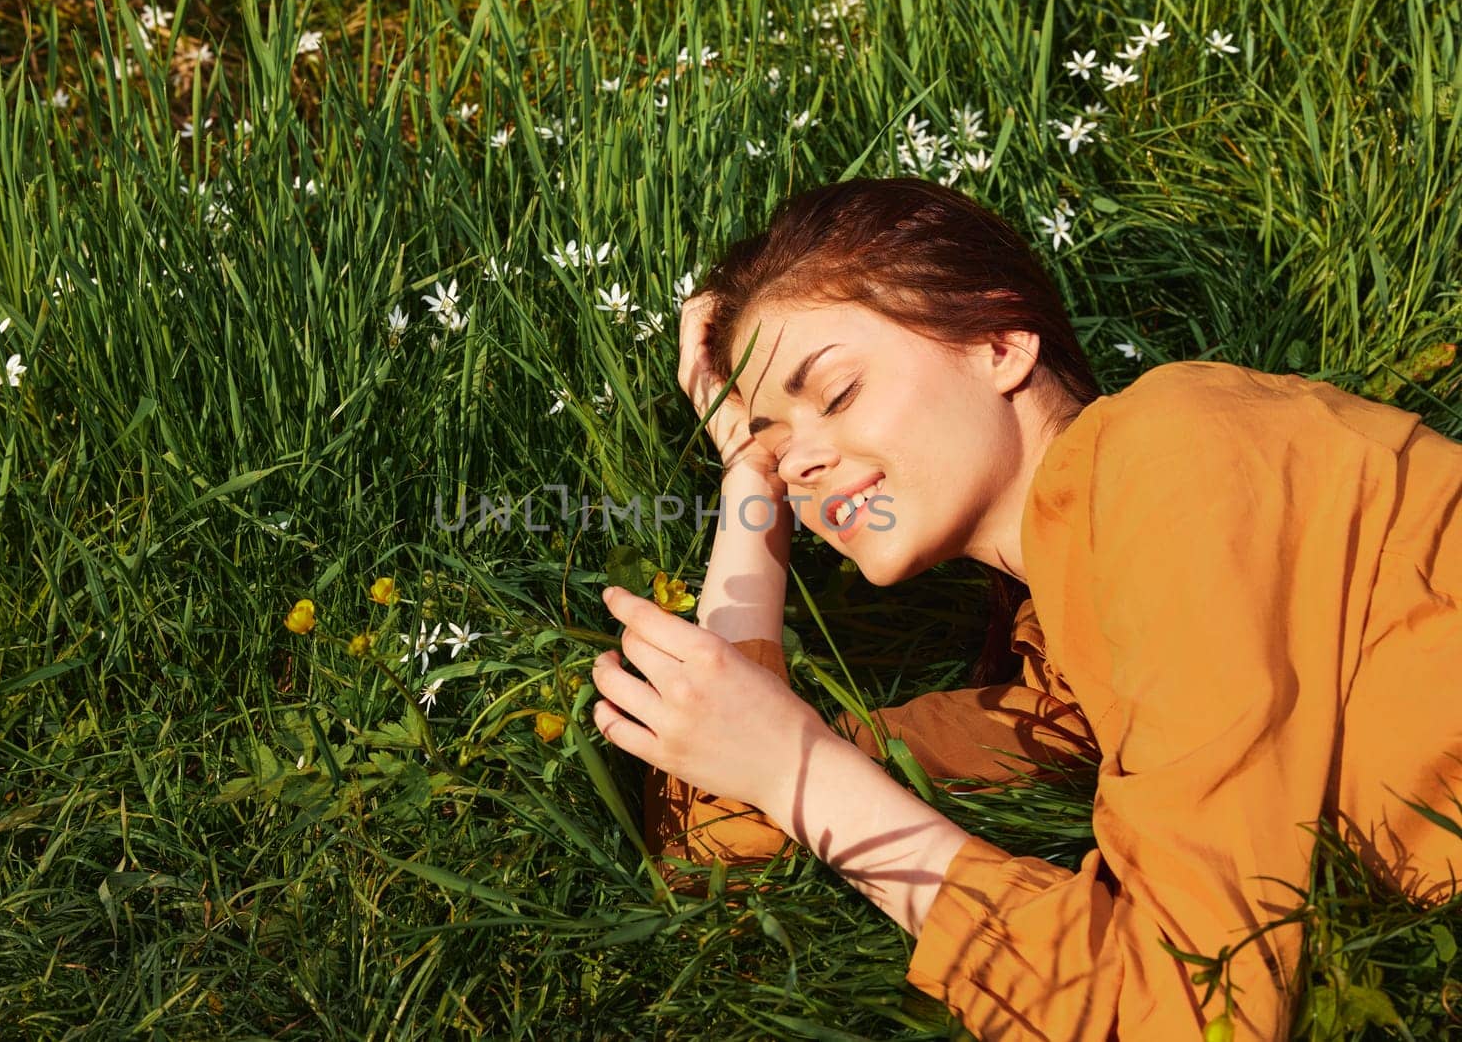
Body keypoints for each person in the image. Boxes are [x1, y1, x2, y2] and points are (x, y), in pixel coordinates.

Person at [587, 177, 1462, 1041]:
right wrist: (750, 476)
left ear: (1002, 341)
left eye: (839, 394)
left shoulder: (1175, 453)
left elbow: (1197, 1013)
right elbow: (713, 833)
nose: (802, 462)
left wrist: (797, 767)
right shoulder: (1065, 672)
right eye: (778, 440)